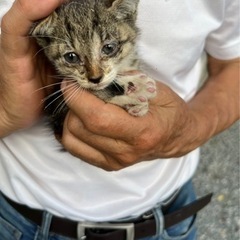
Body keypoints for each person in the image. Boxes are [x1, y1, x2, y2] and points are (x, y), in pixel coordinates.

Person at [0, 0, 239, 239]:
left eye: (108, 48)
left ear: (128, 14)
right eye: (72, 57)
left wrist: (188, 131)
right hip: (19, 217)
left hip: (169, 212)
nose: (94, 74)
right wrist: (5, 115)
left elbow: (234, 63)